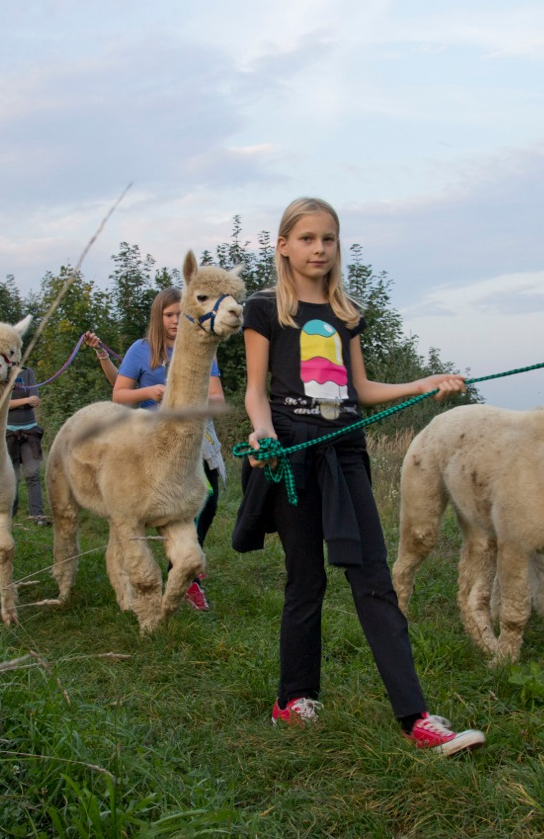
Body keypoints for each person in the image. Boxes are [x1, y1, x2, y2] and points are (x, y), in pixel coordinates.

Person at [233, 197, 485, 755]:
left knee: (373, 577)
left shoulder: (346, 313)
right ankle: (294, 699)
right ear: (283, 246)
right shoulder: (265, 308)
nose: (319, 249)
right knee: (306, 579)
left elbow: (360, 390)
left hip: (344, 452)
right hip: (292, 452)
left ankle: (416, 718)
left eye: (328, 238)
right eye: (307, 239)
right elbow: (255, 391)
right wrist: (261, 434)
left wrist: (422, 383)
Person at [106, 293, 224, 613]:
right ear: (158, 317)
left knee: (208, 500)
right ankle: (149, 570)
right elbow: (120, 394)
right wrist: (151, 392)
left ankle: (184, 571)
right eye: (169, 315)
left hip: (196, 436)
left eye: (181, 314)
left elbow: (217, 397)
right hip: (152, 438)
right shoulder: (141, 350)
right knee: (147, 509)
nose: (175, 321)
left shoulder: (202, 347)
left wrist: (187, 397)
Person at [7, 363, 48, 525]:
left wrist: (17, 402)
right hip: (9, 432)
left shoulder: (27, 372)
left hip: (30, 431)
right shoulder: (2, 372)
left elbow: (35, 399)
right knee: (12, 475)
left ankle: (37, 516)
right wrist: (26, 400)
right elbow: (2, 403)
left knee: (33, 474)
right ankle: (10, 516)